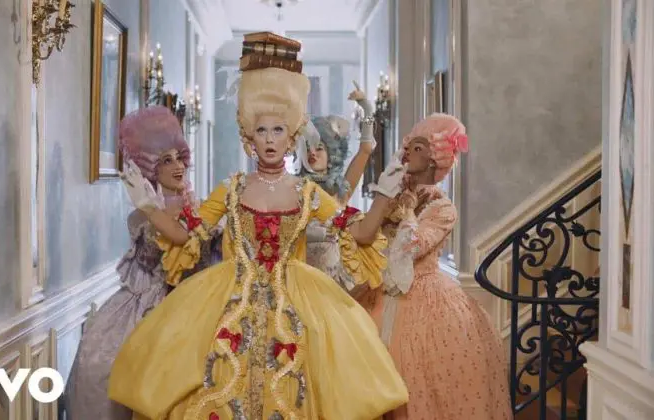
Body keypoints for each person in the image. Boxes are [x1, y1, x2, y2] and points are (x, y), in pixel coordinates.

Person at [108, 32, 409, 420]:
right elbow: (184, 236)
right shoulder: (231, 188)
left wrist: (384, 193)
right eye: (262, 131)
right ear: (249, 136)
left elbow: (362, 234)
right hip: (229, 297)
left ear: (291, 137)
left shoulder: (308, 193)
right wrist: (148, 205)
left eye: (278, 130)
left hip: (297, 299)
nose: (270, 140)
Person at [64, 106, 220, 420]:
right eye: (166, 160)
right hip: (144, 306)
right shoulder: (140, 217)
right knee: (100, 366)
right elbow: (169, 242)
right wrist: (150, 208)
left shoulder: (201, 211)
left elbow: (190, 242)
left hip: (194, 306)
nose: (177, 166)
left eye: (179, 157)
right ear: (151, 169)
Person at [366, 113, 512, 419]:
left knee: (419, 375)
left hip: (423, 294)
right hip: (381, 288)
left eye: (417, 147)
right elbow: (369, 236)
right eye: (408, 145)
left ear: (435, 158)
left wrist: (406, 212)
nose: (407, 152)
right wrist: (387, 198)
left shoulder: (443, 208)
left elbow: (412, 247)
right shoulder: (396, 194)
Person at [298, 82, 376, 290]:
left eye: (319, 148)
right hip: (301, 279)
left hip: (334, 281)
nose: (312, 153)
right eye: (308, 148)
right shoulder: (294, 187)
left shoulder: (340, 190)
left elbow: (365, 149)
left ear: (332, 153)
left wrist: (367, 108)